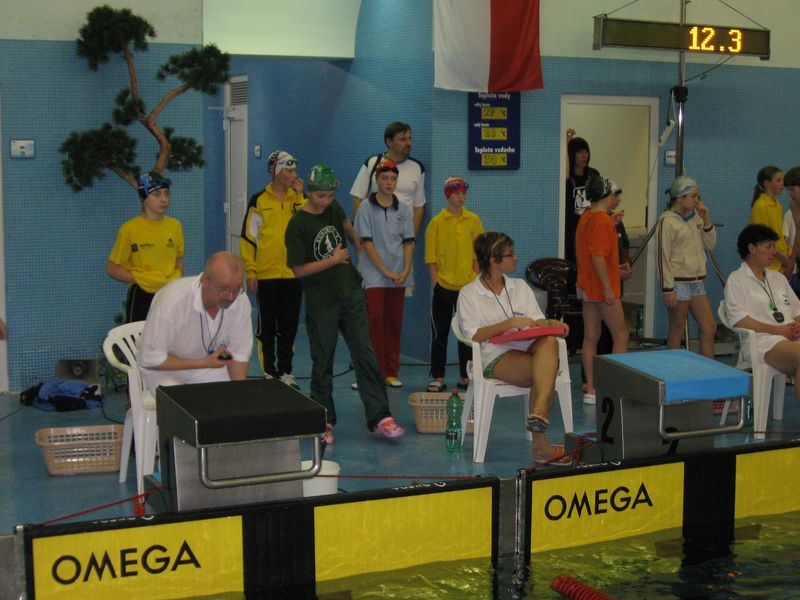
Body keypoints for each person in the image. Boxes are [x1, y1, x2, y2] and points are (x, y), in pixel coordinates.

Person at [285, 164, 405, 443]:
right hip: (321, 301)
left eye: (330, 196)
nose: (326, 201)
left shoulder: (334, 208)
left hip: (350, 292)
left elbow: (346, 226)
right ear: (309, 193)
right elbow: (299, 270)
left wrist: (357, 241)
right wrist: (334, 259)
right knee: (323, 359)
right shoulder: (297, 225)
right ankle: (323, 420)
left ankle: (380, 416)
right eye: (321, 196)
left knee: (364, 352)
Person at [457, 231, 570, 464]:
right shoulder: (469, 293)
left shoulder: (519, 286)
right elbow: (474, 335)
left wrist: (552, 324)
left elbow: (536, 321)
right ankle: (541, 444)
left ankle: (539, 413)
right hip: (496, 355)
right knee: (545, 372)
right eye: (510, 254)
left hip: (529, 347)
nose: (516, 258)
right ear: (494, 260)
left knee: (550, 341)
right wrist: (508, 324)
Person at [138, 252, 253, 391]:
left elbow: (239, 355)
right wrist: (203, 363)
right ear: (205, 280)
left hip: (207, 366)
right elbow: (150, 359)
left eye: (237, 289)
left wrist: (240, 396)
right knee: (179, 400)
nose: (231, 297)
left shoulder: (240, 301)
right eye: (224, 289)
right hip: (164, 370)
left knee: (231, 393)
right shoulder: (172, 300)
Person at [240, 150, 305, 388]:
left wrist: (300, 197)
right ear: (275, 172)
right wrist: (251, 271)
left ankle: (286, 371)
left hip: (293, 273)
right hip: (266, 274)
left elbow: (307, 226)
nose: (293, 174)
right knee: (267, 326)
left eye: (294, 170)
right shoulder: (259, 200)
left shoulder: (300, 199)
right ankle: (269, 371)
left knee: (289, 326)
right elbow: (248, 238)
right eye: (288, 170)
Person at [354, 159, 415, 388]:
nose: (389, 183)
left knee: (394, 322)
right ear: (377, 180)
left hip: (398, 276)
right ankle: (373, 373)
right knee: (374, 321)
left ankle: (390, 372)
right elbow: (367, 244)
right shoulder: (366, 208)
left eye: (393, 179)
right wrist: (386, 271)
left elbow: (408, 242)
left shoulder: (404, 209)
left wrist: (405, 269)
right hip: (374, 275)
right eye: (385, 178)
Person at [725, 224, 800, 400]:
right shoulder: (736, 280)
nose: (774, 252)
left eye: (774, 246)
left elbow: (797, 311)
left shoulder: (778, 278)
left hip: (790, 338)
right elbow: (740, 320)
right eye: (768, 247)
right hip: (762, 342)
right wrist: (779, 331)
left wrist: (797, 325)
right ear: (751, 248)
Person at [424, 176, 484, 393]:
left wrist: (475, 280)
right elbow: (431, 259)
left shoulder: (474, 220)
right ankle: (438, 376)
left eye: (463, 193)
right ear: (448, 195)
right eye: (457, 193)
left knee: (466, 334)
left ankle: (466, 376)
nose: (461, 197)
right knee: (440, 334)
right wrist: (435, 285)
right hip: (443, 287)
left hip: (467, 288)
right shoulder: (436, 223)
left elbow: (478, 255)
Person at [575, 176, 629, 405]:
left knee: (591, 336)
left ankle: (592, 388)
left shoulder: (586, 216)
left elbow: (591, 247)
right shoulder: (602, 222)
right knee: (621, 335)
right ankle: (614, 388)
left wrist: (611, 224)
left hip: (586, 286)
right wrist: (608, 287)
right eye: (615, 194)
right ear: (606, 195)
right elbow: (597, 256)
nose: (617, 198)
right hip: (602, 289)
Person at [108, 172, 184, 323]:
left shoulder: (175, 226)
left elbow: (178, 260)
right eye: (157, 194)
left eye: (166, 194)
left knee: (170, 335)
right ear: (144, 198)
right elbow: (112, 269)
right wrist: (141, 279)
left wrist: (176, 283)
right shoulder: (129, 229)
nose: (163, 199)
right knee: (140, 335)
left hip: (169, 292)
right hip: (142, 294)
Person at [656, 175, 718, 357]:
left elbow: (710, 245)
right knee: (677, 328)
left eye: (698, 196)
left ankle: (708, 367)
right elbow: (662, 257)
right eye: (693, 196)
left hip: (696, 281)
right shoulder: (667, 221)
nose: (697, 201)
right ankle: (672, 369)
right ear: (680, 197)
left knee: (709, 326)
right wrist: (668, 289)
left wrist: (706, 220)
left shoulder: (696, 218)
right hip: (678, 282)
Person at [350, 121, 426, 235]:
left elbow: (418, 207)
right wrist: (361, 235)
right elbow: (358, 200)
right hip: (373, 235)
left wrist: (411, 238)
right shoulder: (372, 163)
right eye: (403, 139)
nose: (408, 143)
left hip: (402, 236)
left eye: (410, 138)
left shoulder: (417, 168)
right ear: (389, 142)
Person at [564, 135, 600, 266]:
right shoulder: (567, 178)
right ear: (572, 154)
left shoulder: (593, 174)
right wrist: (565, 143)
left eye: (586, 152)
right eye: (580, 152)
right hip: (572, 232)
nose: (584, 155)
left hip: (591, 229)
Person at [749, 165, 792, 274]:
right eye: (778, 180)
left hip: (779, 264)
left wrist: (787, 248)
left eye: (782, 180)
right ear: (767, 183)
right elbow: (762, 239)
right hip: (768, 266)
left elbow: (778, 234)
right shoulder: (761, 205)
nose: (783, 184)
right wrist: (782, 257)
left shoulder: (778, 206)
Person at [781, 166, 800, 297]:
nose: (789, 194)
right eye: (788, 189)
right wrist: (792, 261)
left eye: (792, 189)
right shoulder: (793, 205)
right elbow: (799, 232)